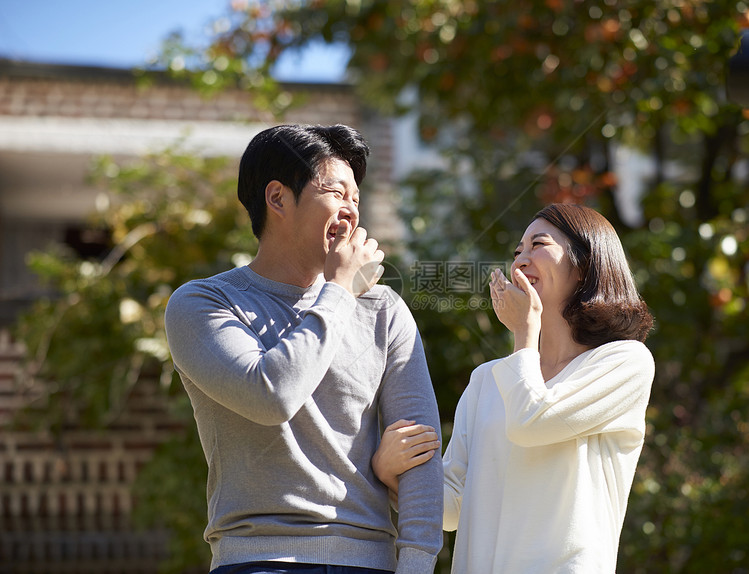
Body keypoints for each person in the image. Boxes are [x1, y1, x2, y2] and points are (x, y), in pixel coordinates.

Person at [164, 124, 443, 574]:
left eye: (356, 197)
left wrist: (415, 564)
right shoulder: (203, 304)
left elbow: (422, 453)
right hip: (258, 560)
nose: (351, 211)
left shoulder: (384, 309)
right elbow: (272, 395)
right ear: (278, 199)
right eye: (336, 192)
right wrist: (338, 289)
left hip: (371, 563)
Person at [373, 203, 655, 573]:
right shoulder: (487, 380)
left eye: (538, 244)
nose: (521, 259)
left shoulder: (625, 362)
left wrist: (525, 331)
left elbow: (531, 421)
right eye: (517, 251)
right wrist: (391, 472)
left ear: (585, 265)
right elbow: (453, 505)